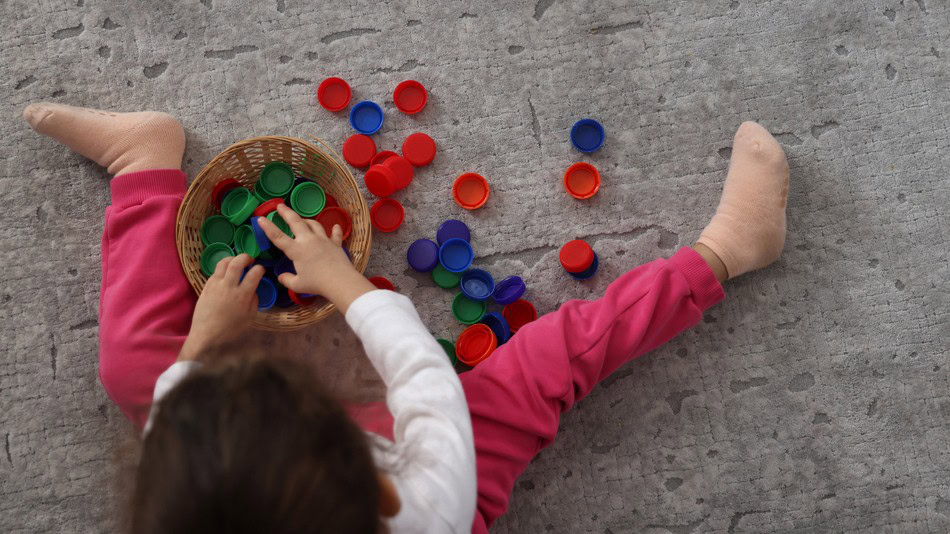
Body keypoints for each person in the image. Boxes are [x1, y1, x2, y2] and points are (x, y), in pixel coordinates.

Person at [23, 102, 789, 534]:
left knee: (128, 367)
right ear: (377, 480)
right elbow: (423, 375)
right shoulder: (426, 503)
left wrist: (202, 340)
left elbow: (172, 416)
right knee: (547, 361)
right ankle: (727, 251)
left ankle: (146, 165)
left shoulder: (186, 499)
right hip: (447, 470)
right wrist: (344, 284)